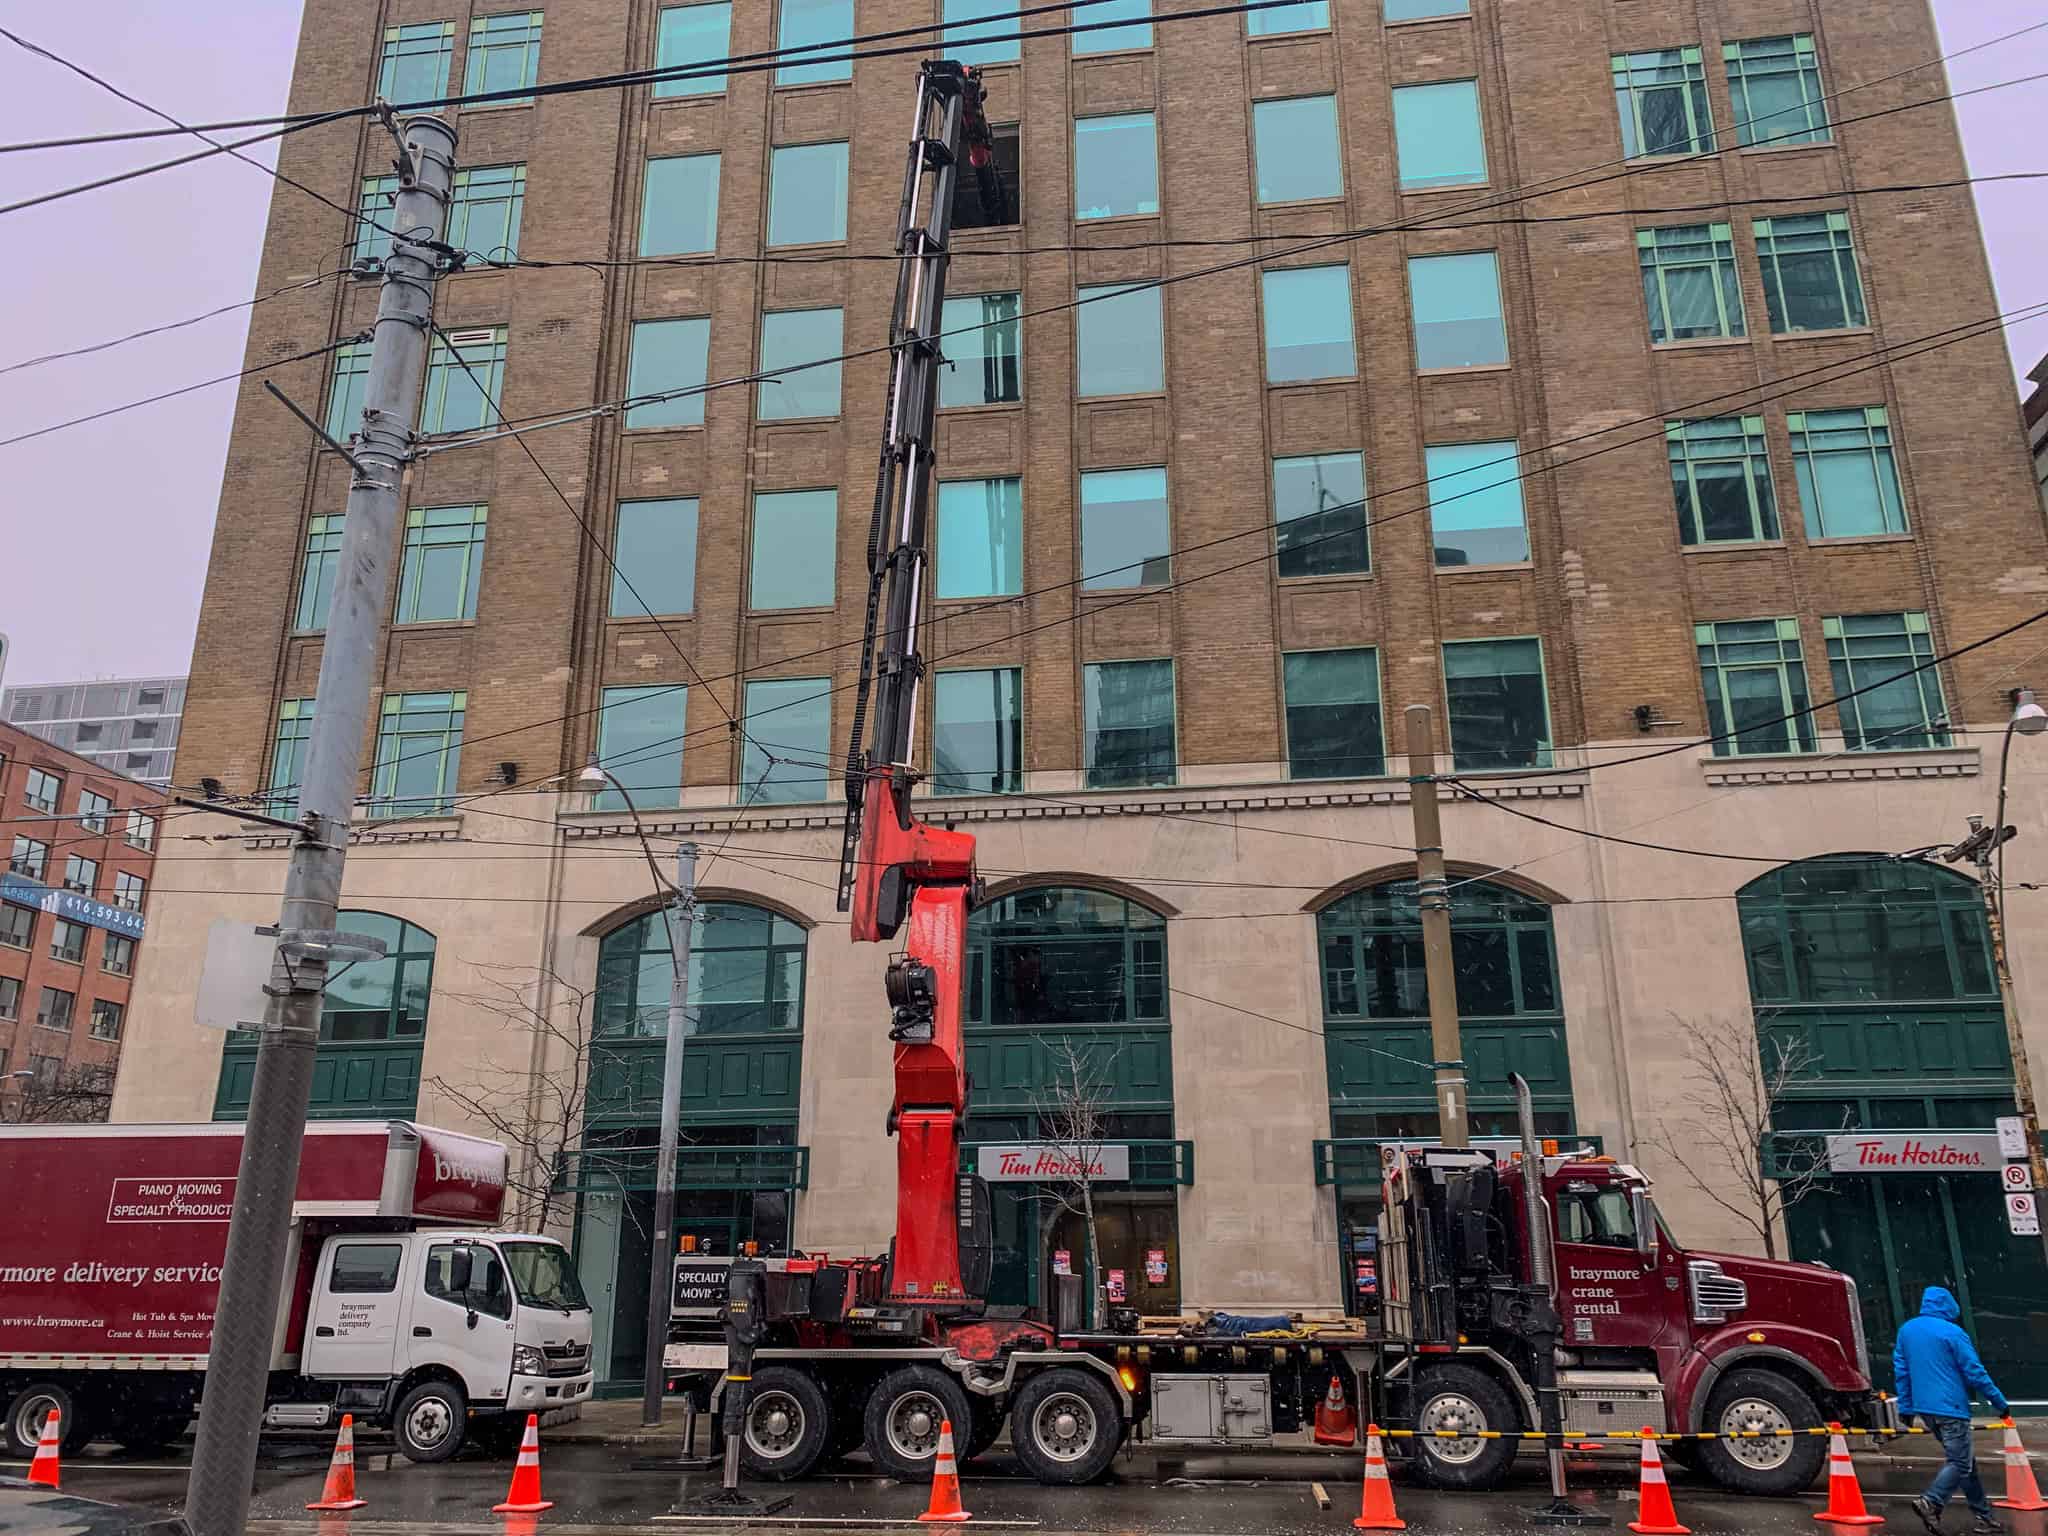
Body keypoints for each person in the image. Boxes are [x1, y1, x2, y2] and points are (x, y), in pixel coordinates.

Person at [1895, 1284, 2010, 1534]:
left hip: (1926, 1409)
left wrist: (1906, 1408)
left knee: (1965, 1462)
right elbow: (1974, 1372)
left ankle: (1984, 1516)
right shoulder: (1953, 1332)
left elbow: (1902, 1373)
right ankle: (1931, 1501)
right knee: (1960, 1462)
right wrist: (1999, 1402)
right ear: (1949, 1305)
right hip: (1951, 1407)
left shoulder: (1907, 1331)